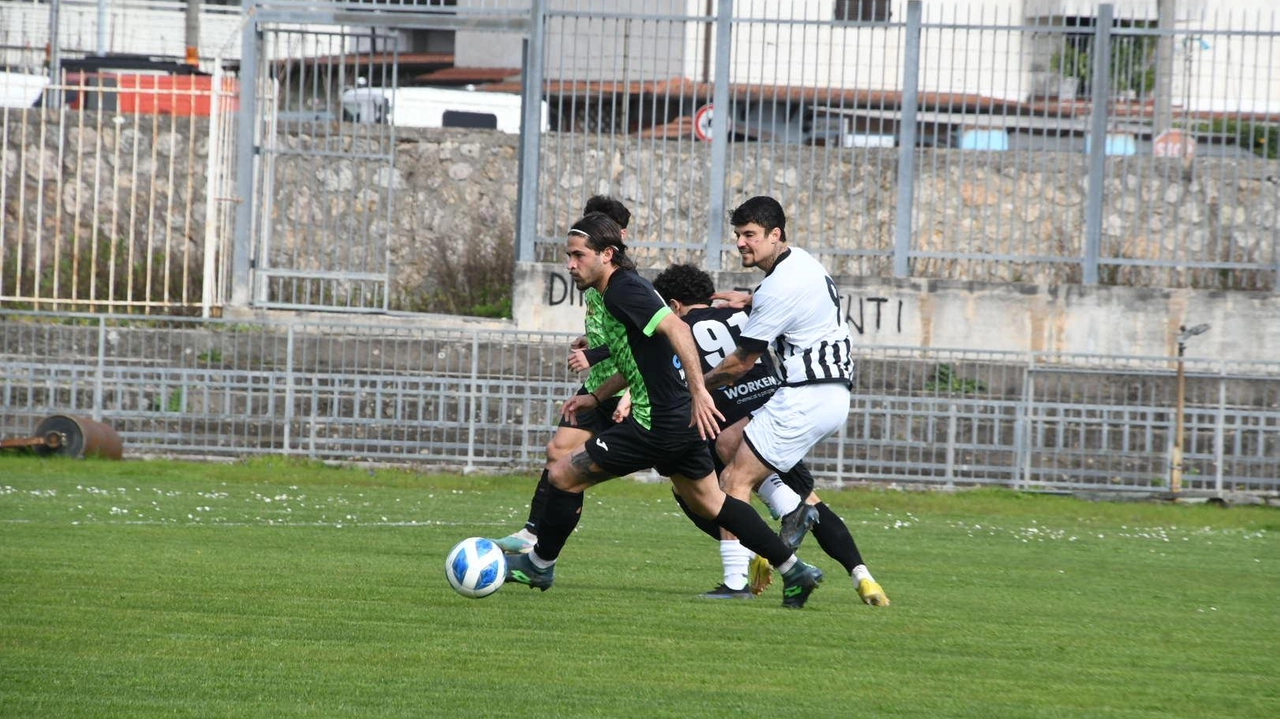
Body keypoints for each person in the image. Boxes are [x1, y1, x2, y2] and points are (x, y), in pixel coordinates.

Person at [503, 211, 826, 609]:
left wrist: (699, 392)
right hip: (676, 420)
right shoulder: (613, 292)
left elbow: (678, 329)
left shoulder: (624, 289)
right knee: (713, 502)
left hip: (656, 422)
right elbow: (637, 355)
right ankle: (796, 570)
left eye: (577, 255)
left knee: (562, 474)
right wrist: (598, 395)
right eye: (568, 256)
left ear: (607, 254)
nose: (570, 264)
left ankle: (539, 563)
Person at [653, 263, 885, 603]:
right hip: (776, 408)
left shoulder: (679, 329)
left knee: (715, 492)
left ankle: (745, 571)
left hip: (735, 422)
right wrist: (749, 301)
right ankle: (862, 575)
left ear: (673, 305)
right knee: (810, 498)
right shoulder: (741, 314)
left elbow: (674, 376)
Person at [704, 196, 889, 607]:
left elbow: (739, 363)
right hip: (833, 393)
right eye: (737, 235)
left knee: (733, 481)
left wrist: (696, 389)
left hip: (804, 395)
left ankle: (740, 582)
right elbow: (794, 302)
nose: (740, 243)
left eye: (749, 235)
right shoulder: (803, 263)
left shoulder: (777, 287)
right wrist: (750, 299)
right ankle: (862, 576)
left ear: (775, 235)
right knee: (739, 449)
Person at [493, 195, 633, 555]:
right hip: (598, 384)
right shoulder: (593, 279)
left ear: (617, 237)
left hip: (628, 386)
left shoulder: (625, 284)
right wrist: (593, 340)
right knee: (558, 452)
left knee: (701, 490)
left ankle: (767, 528)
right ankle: (533, 537)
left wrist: (593, 354)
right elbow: (612, 331)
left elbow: (638, 342)